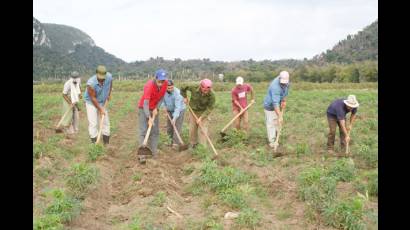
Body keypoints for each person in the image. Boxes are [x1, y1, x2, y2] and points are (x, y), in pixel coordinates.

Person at [138, 69, 168, 156]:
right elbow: (145, 103)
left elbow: (162, 97)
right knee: (143, 130)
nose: (161, 83)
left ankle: (153, 151)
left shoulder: (165, 84)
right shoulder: (149, 86)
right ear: (156, 78)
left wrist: (157, 108)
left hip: (154, 108)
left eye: (163, 81)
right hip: (144, 108)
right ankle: (142, 154)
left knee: (155, 131)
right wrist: (149, 117)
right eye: (160, 81)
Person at [180, 78, 215, 148]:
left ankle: (202, 148)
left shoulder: (212, 95)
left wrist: (201, 118)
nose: (206, 91)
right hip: (193, 111)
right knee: (192, 129)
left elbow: (210, 108)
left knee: (203, 129)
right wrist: (184, 97)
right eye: (204, 89)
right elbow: (182, 87)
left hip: (204, 112)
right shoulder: (194, 87)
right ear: (201, 86)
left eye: (208, 89)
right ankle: (193, 144)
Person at [84, 65, 113, 144]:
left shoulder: (109, 77)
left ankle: (106, 144)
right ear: (96, 74)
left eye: (103, 78)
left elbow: (110, 84)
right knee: (93, 123)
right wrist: (100, 109)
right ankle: (94, 144)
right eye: (100, 78)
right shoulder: (91, 83)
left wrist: (109, 94)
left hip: (103, 101)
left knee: (105, 122)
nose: (102, 80)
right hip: (91, 103)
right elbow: (93, 98)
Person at [263, 71, 290, 149]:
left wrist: (284, 100)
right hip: (270, 105)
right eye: (282, 83)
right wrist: (280, 115)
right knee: (271, 123)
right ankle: (272, 142)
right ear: (279, 78)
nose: (284, 84)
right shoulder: (275, 87)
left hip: (278, 103)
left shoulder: (287, 82)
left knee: (278, 122)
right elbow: (275, 103)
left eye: (285, 83)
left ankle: (277, 139)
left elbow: (286, 91)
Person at [161, 80, 186, 149]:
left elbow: (178, 107)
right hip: (169, 109)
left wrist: (174, 118)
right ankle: (169, 141)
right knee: (169, 127)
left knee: (177, 126)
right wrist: (164, 107)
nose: (170, 89)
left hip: (180, 110)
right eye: (168, 88)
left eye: (172, 88)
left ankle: (175, 143)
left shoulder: (177, 93)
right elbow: (161, 100)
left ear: (173, 86)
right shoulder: (162, 91)